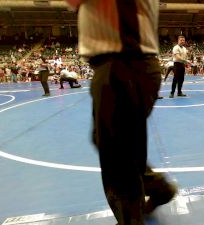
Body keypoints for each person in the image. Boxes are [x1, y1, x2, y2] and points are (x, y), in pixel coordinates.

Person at [65, 1, 177, 224]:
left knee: (117, 159)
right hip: (134, 64)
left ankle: (139, 208)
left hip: (120, 64)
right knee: (122, 147)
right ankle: (157, 187)